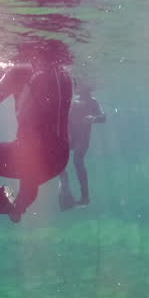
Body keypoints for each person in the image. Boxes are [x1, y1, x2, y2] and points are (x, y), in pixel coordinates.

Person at [0, 40, 73, 223]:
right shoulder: (64, 75)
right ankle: (17, 209)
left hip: (32, 156)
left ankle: (0, 202)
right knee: (31, 167)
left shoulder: (22, 69)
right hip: (59, 160)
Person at [57, 82, 106, 210]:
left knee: (77, 160)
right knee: (58, 157)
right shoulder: (73, 101)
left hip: (83, 138)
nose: (76, 87)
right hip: (70, 136)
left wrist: (93, 118)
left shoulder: (93, 102)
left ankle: (85, 196)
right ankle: (64, 181)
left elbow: (103, 117)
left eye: (78, 85)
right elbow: (65, 118)